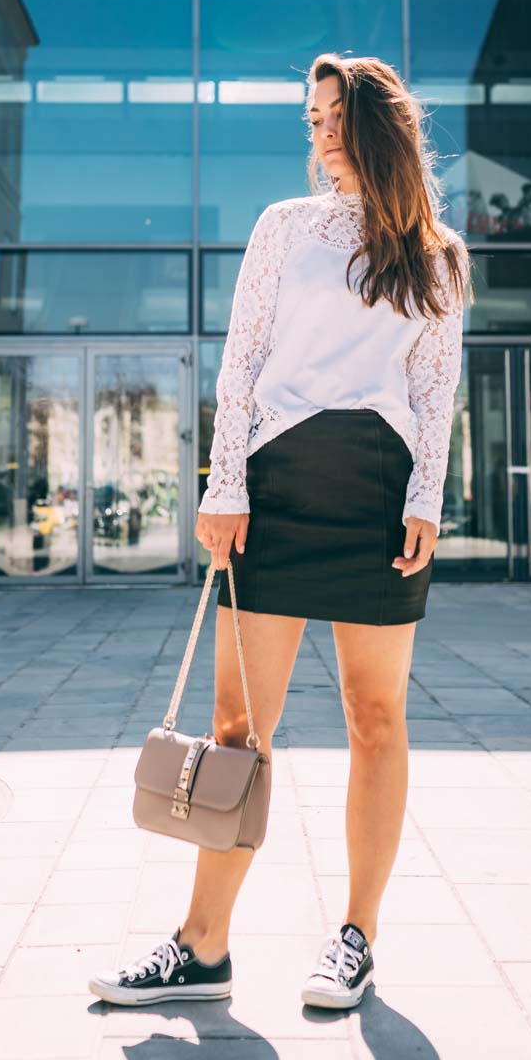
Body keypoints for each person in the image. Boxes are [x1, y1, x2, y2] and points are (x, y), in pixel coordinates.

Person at [89, 53, 471, 1011]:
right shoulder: (282, 229)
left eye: (333, 116)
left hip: (380, 497)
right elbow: (242, 361)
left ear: (378, 124)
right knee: (236, 730)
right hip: (275, 487)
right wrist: (225, 481)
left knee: (375, 720)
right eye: (310, 120)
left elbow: (434, 389)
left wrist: (424, 498)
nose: (319, 133)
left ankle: (356, 938)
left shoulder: (435, 255)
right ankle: (202, 947)